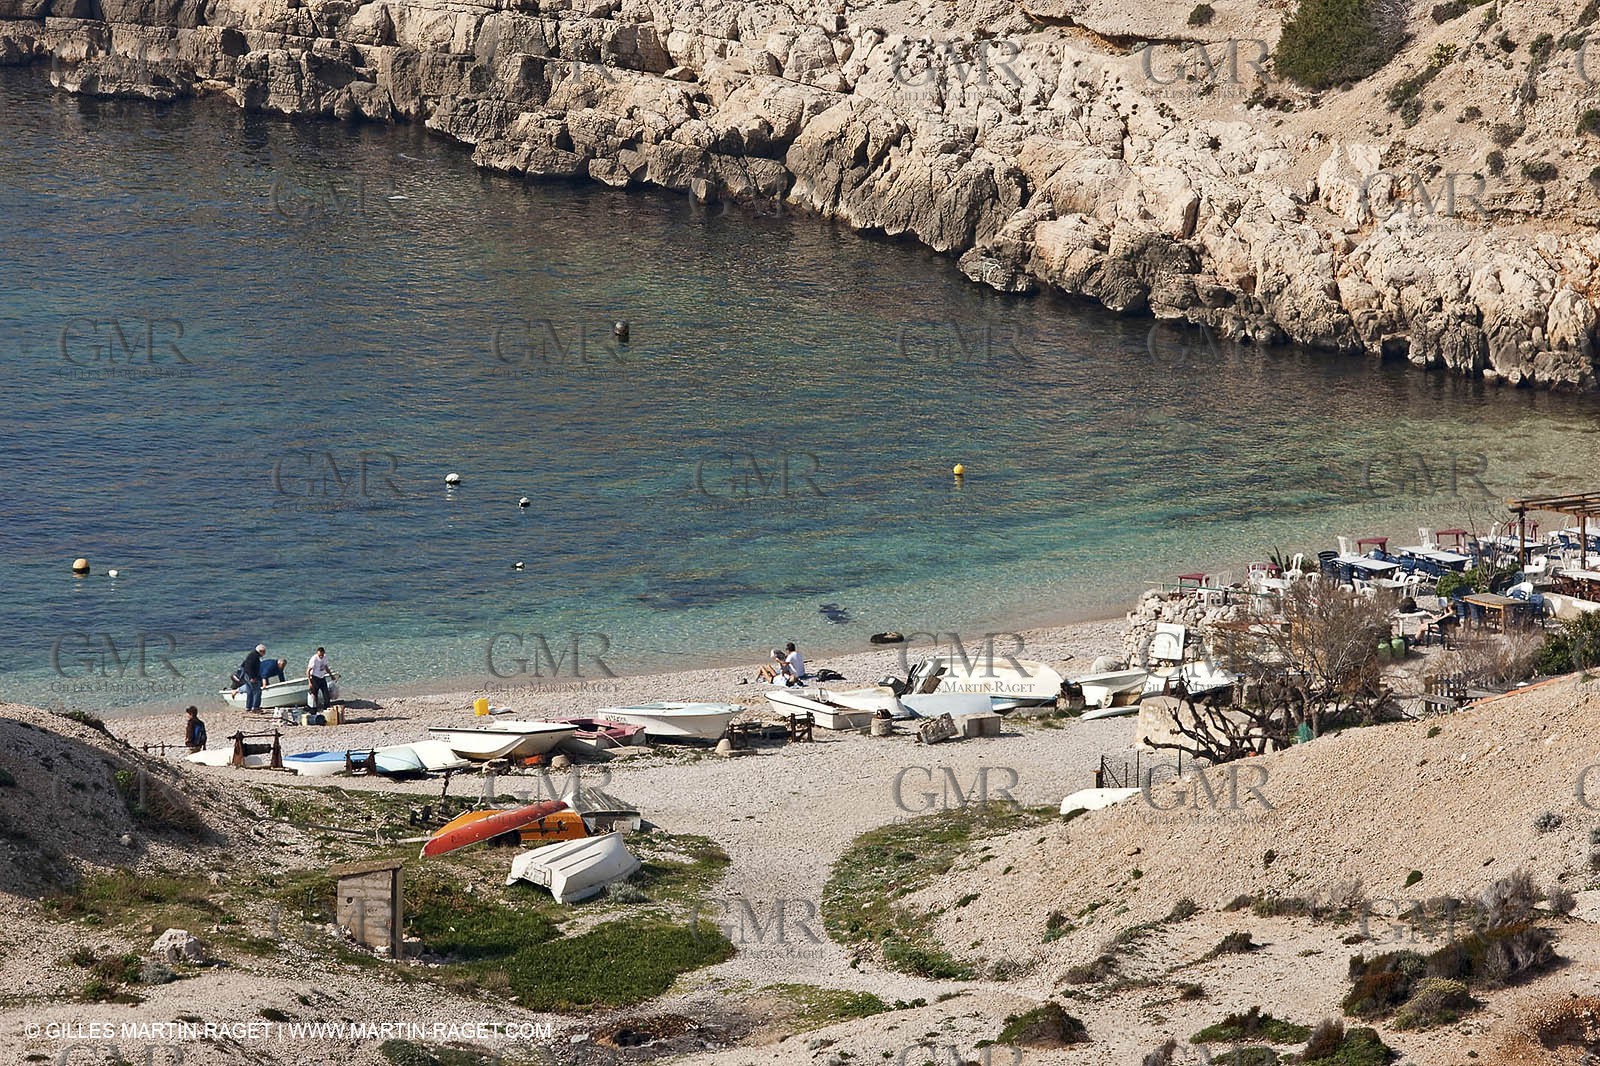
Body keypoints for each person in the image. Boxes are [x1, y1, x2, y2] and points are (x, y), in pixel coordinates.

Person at [240, 644, 265, 711]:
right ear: (260, 651)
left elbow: (243, 665)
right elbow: (249, 667)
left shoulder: (252, 655)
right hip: (250, 676)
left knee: (250, 691)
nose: (264, 653)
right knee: (257, 691)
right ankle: (255, 707)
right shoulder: (254, 657)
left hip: (247, 675)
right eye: (264, 652)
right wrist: (252, 677)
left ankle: (248, 707)